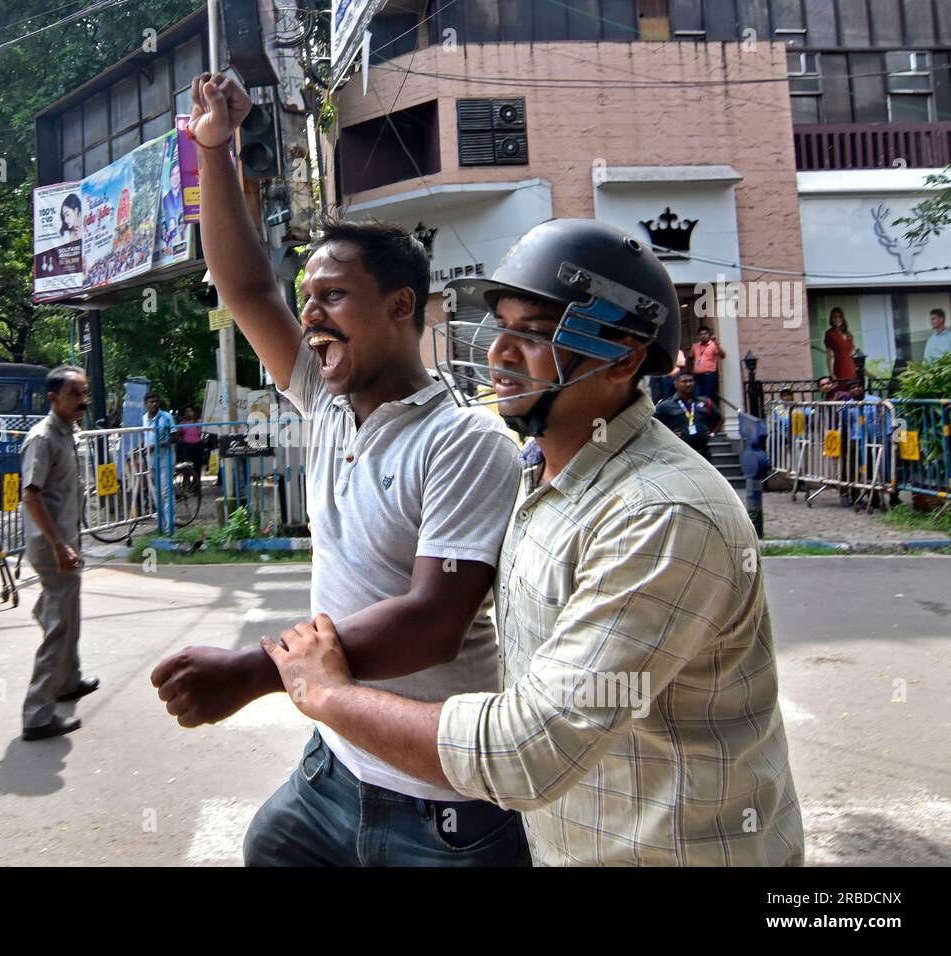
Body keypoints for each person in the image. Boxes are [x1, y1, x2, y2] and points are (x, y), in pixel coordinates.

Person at [257, 218, 804, 866]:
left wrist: (326, 693)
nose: (501, 354)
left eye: (537, 336)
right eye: (502, 327)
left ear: (625, 356)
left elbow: (528, 750)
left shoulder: (663, 515)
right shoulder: (538, 477)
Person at [150, 72, 528, 867]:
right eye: (307, 296)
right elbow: (244, 285)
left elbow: (433, 621)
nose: (310, 312)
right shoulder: (324, 406)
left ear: (401, 307)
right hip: (336, 767)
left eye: (333, 295)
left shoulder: (465, 442)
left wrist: (255, 673)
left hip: (441, 807)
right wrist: (213, 150)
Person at [19, 365, 99, 741]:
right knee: (60, 625)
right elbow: (30, 496)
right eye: (75, 394)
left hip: (66, 540)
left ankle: (67, 681)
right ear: (53, 399)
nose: (83, 400)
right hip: (53, 546)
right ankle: (37, 715)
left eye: (84, 392)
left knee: (66, 612)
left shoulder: (69, 433)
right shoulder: (43, 438)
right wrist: (58, 544)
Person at [653, 371, 722, 462]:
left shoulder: (704, 402)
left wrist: (713, 433)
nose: (688, 384)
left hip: (703, 454)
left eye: (691, 381)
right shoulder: (666, 405)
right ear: (676, 384)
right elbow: (651, 422)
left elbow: (720, 418)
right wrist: (667, 435)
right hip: (679, 455)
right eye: (684, 381)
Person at [142, 393, 177, 531]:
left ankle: (170, 526)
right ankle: (161, 525)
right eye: (151, 402)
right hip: (151, 461)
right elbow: (146, 437)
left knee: (166, 493)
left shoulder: (166, 417)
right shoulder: (144, 418)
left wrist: (157, 445)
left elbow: (175, 438)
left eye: (156, 401)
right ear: (146, 404)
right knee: (156, 494)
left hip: (165, 460)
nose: (154, 404)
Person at [823, 307, 858, 384]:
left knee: (853, 389)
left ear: (842, 318)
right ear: (831, 319)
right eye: (835, 317)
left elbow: (853, 353)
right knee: (842, 390)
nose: (837, 319)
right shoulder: (830, 333)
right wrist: (831, 373)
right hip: (840, 366)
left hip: (851, 367)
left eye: (839, 316)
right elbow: (829, 356)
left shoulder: (848, 333)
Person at [689, 325, 724, 399]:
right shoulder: (695, 346)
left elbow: (723, 356)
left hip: (709, 376)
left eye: (705, 334)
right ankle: (700, 410)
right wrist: (692, 371)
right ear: (698, 336)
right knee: (697, 397)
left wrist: (716, 343)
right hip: (697, 377)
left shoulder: (713, 345)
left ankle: (707, 410)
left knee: (707, 398)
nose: (703, 336)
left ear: (708, 334)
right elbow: (690, 358)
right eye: (701, 334)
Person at [174, 406, 204, 492]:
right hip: (187, 447)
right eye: (186, 411)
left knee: (197, 467)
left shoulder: (198, 422)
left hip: (198, 446)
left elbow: (204, 431)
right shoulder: (182, 423)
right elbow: (177, 435)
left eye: (190, 410)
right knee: (186, 468)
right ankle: (186, 487)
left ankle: (196, 488)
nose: (189, 413)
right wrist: (182, 441)